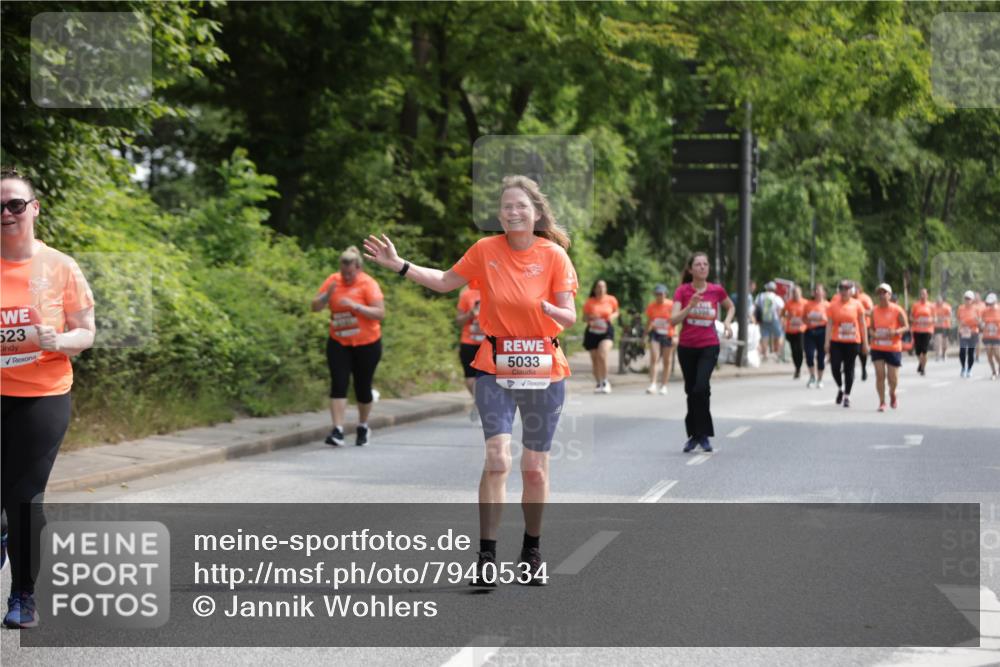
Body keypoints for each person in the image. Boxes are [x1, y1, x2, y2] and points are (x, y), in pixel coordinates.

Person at [364, 175, 577, 586]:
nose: (513, 212)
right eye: (506, 206)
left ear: (536, 213)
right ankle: (486, 557)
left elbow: (569, 316)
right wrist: (400, 265)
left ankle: (531, 551)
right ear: (499, 214)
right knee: (497, 459)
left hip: (544, 368)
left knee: (534, 469)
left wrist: (551, 308)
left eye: (521, 206)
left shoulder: (554, 256)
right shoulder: (485, 250)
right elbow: (445, 281)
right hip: (494, 365)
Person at [2, 169, 96, 628]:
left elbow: (87, 332)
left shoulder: (60, 266)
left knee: (25, 498)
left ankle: (23, 595)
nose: (6, 213)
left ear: (34, 208)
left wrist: (57, 340)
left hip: (43, 394)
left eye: (15, 204)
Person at [311, 246, 385, 447]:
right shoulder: (333, 280)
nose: (347, 277)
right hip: (339, 342)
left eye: (350, 273)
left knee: (362, 387)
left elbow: (380, 313)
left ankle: (363, 426)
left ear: (358, 268)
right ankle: (338, 430)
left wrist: (356, 306)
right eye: (344, 273)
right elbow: (314, 307)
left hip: (367, 344)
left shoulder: (368, 284)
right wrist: (327, 296)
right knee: (338, 383)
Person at [670, 252, 735, 453]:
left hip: (709, 345)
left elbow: (730, 306)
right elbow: (673, 320)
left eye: (705, 264)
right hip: (687, 347)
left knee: (701, 387)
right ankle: (694, 436)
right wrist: (690, 306)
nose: (702, 267)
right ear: (690, 269)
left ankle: (704, 434)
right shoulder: (683, 291)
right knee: (692, 391)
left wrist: (726, 321)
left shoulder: (716, 290)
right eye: (698, 264)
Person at [825, 280, 869, 408]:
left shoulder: (857, 305)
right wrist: (826, 342)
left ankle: (847, 396)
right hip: (837, 341)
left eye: (847, 289)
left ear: (852, 291)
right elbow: (829, 324)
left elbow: (862, 324)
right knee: (835, 367)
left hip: (852, 342)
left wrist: (865, 343)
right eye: (842, 289)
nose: (844, 291)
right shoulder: (833, 305)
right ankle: (841, 387)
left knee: (849, 368)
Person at [869, 284, 909, 411]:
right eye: (879, 293)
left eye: (884, 293)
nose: (881, 295)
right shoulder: (874, 311)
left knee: (893, 378)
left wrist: (896, 332)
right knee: (880, 375)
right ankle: (882, 402)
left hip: (893, 347)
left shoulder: (897, 310)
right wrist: (873, 334)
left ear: (889, 295)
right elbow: (870, 328)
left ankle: (892, 393)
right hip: (878, 347)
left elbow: (906, 326)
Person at [582, 279, 619, 394]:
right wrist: (590, 320)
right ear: (595, 289)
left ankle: (605, 382)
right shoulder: (589, 302)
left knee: (602, 354)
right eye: (599, 286)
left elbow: (617, 312)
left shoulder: (611, 300)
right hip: (592, 331)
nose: (601, 289)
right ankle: (599, 382)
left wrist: (612, 316)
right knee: (595, 359)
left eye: (603, 286)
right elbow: (584, 318)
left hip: (606, 331)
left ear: (606, 288)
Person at [456, 285, 485, 421]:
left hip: (489, 342)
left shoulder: (497, 288)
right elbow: (458, 320)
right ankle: (479, 402)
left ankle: (484, 403)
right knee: (470, 377)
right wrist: (470, 314)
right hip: (469, 341)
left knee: (490, 377)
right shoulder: (467, 294)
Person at [644, 283, 675, 395]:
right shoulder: (651, 306)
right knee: (654, 357)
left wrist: (676, 335)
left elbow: (677, 320)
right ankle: (653, 383)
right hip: (655, 334)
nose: (659, 296)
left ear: (665, 294)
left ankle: (664, 385)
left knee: (667, 360)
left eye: (661, 294)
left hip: (668, 334)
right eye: (657, 294)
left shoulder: (671, 305)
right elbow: (649, 321)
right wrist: (644, 334)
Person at [803, 284, 829, 388]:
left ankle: (820, 379)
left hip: (822, 331)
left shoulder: (828, 305)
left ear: (824, 293)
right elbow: (803, 318)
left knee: (821, 356)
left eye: (819, 291)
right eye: (816, 291)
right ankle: (812, 376)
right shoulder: (808, 304)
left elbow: (831, 321)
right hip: (810, 331)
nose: (817, 292)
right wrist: (809, 319)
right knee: (809, 354)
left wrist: (823, 318)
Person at [781, 285, 808, 380]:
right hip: (790, 329)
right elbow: (782, 313)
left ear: (800, 293)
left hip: (801, 329)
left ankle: (798, 367)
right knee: (793, 350)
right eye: (794, 293)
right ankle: (797, 367)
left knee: (800, 349)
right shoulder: (789, 303)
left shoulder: (805, 303)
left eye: (797, 293)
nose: (795, 295)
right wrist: (785, 319)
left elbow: (809, 314)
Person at [755, 281, 784, 361]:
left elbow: (756, 307)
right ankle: (777, 352)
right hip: (774, 319)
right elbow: (780, 310)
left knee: (764, 336)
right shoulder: (776, 297)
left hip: (763, 319)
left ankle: (765, 355)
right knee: (779, 335)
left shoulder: (760, 296)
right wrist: (781, 319)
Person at [909, 288, 935, 376]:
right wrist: (916, 320)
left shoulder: (931, 306)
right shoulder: (915, 305)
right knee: (918, 351)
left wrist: (930, 320)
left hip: (927, 330)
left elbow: (935, 318)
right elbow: (911, 317)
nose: (923, 296)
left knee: (924, 351)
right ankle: (921, 363)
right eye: (921, 294)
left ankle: (923, 368)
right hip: (917, 330)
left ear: (927, 295)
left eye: (924, 294)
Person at [956, 290, 980, 378]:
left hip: (973, 332)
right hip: (963, 332)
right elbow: (958, 319)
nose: (967, 300)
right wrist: (960, 326)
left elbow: (980, 321)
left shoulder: (976, 309)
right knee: (962, 351)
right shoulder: (960, 308)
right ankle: (963, 367)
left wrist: (976, 321)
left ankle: (969, 369)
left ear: (972, 300)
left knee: (970, 352)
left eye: (969, 299)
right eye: (966, 298)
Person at [855, 285, 874, 382]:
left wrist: (861, 312)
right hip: (853, 328)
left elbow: (871, 312)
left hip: (864, 327)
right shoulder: (848, 299)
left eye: (855, 287)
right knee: (852, 350)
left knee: (862, 351)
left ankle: (863, 368)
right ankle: (850, 369)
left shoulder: (865, 298)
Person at [982, 293, 1000, 380]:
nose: (990, 305)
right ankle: (993, 371)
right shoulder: (985, 311)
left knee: (997, 353)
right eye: (989, 303)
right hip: (987, 335)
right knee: (989, 354)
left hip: (997, 335)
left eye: (992, 303)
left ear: (996, 302)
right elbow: (982, 321)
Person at [933, 294, 953, 362]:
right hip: (937, 326)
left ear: (942, 300)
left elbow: (950, 316)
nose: (938, 302)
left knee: (945, 342)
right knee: (937, 340)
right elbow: (932, 315)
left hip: (945, 326)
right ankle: (937, 355)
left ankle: (944, 354)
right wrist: (935, 319)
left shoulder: (947, 306)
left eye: (939, 300)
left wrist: (943, 319)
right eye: (937, 300)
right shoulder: (934, 306)